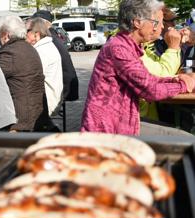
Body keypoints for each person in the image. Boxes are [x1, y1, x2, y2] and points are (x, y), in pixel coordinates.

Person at [81, 0, 195, 135]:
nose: (159, 27)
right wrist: (184, 84)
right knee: (185, 138)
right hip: (108, 129)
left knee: (180, 133)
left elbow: (148, 79)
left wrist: (175, 80)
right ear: (137, 22)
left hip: (123, 122)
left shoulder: (127, 46)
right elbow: (150, 90)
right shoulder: (118, 49)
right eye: (156, 22)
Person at [0, 15, 49, 132]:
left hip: (20, 121)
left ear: (6, 35)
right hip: (37, 114)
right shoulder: (30, 49)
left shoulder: (9, 53)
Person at [32, 10, 79, 102]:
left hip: (64, 88)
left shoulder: (48, 39)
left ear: (43, 24)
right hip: (67, 85)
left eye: (35, 23)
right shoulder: (53, 36)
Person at [25, 17, 63, 116]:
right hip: (49, 100)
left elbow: (29, 77)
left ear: (36, 34)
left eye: (26, 31)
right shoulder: (45, 46)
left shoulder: (42, 51)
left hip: (47, 104)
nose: (24, 34)